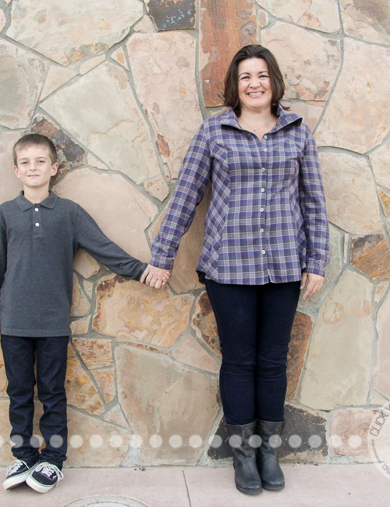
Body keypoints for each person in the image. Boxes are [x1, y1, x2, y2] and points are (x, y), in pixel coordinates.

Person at [143, 45, 330, 495]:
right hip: (229, 267)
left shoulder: (297, 133)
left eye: (261, 75)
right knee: (239, 360)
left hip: (285, 265)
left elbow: (314, 202)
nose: (254, 83)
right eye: (245, 76)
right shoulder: (215, 132)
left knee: (272, 361)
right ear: (235, 85)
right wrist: (162, 255)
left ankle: (269, 450)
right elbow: (187, 195)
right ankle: (243, 453)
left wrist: (316, 261)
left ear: (273, 81)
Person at [0, 134, 164, 493]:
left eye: (40, 161)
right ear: (16, 170)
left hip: (52, 323)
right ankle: (22, 454)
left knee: (51, 391)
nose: (33, 168)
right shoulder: (5, 214)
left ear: (54, 168)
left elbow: (103, 247)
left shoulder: (69, 214)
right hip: (14, 321)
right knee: (18, 391)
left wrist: (141, 270)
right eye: (26, 162)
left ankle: (53, 459)